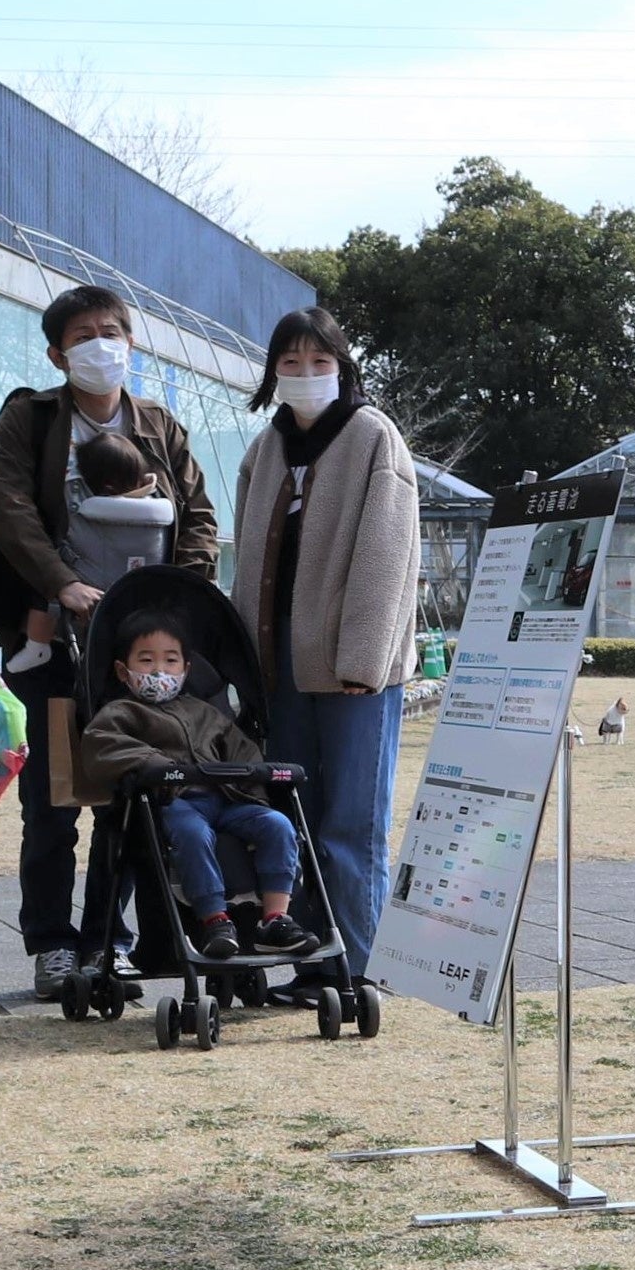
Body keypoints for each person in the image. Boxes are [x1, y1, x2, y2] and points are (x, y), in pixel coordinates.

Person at [0, 284, 220, 999]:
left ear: (131, 343)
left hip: (142, 650)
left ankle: (117, 940)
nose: (101, 345)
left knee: (137, 794)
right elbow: (8, 507)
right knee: (52, 803)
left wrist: (175, 598)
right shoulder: (32, 418)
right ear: (57, 352)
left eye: (113, 331)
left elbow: (197, 515)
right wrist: (61, 583)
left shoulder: (160, 426)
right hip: (52, 637)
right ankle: (52, 944)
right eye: (84, 335)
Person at [229, 307, 418, 990]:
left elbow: (386, 555)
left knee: (351, 823)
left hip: (351, 671)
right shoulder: (266, 446)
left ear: (342, 367)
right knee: (295, 818)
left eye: (319, 362)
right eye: (290, 363)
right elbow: (246, 561)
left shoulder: (372, 436)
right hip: (280, 669)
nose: (305, 375)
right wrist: (244, 664)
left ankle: (355, 966)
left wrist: (364, 662)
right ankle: (311, 960)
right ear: (272, 372)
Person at [79, 619, 313, 961]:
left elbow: (242, 749)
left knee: (277, 825)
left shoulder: (205, 712)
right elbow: (103, 747)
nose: (160, 670)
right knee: (191, 832)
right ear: (122, 670)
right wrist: (156, 764)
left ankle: (275, 919)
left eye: (170, 661)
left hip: (227, 798)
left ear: (186, 669)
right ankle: (215, 919)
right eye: (146, 660)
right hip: (172, 800)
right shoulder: (120, 713)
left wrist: (251, 780)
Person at [4, 428, 173, 674]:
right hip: (142, 600)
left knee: (44, 583)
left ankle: (37, 645)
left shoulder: (87, 508)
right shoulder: (158, 509)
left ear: (105, 486)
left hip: (85, 597)